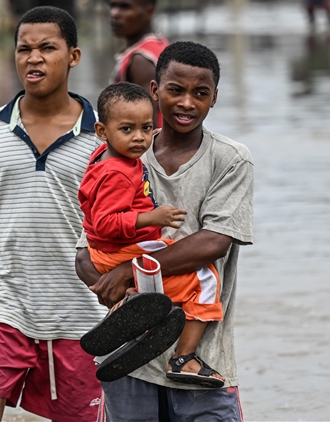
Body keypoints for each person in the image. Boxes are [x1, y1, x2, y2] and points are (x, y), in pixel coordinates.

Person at [76, 41, 254, 421]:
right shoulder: (121, 155)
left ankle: (180, 348)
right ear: (155, 90)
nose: (187, 103)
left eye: (200, 93)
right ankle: (145, 321)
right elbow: (87, 247)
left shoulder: (229, 159)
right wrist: (117, 292)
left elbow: (215, 242)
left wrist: (131, 272)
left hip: (203, 366)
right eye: (176, 90)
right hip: (127, 363)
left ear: (214, 98)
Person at [0, 6, 106, 422]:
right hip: (4, 299)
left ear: (73, 57)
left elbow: (112, 220)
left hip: (80, 309)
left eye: (47, 48)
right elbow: (0, 206)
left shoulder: (103, 137)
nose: (33, 58)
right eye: (24, 48)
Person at [79, 82, 224, 387]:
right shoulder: (119, 171)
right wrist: (151, 217)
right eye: (127, 129)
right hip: (121, 250)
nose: (140, 138)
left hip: (103, 252)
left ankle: (138, 322)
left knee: (159, 289)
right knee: (206, 278)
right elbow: (106, 222)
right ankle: (185, 358)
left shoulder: (101, 159)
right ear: (103, 132)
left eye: (146, 128)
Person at [109, 0, 170, 127]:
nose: (114, 13)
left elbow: (148, 126)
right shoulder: (160, 43)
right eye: (113, 6)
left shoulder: (141, 60)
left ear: (149, 12)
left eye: (125, 7)